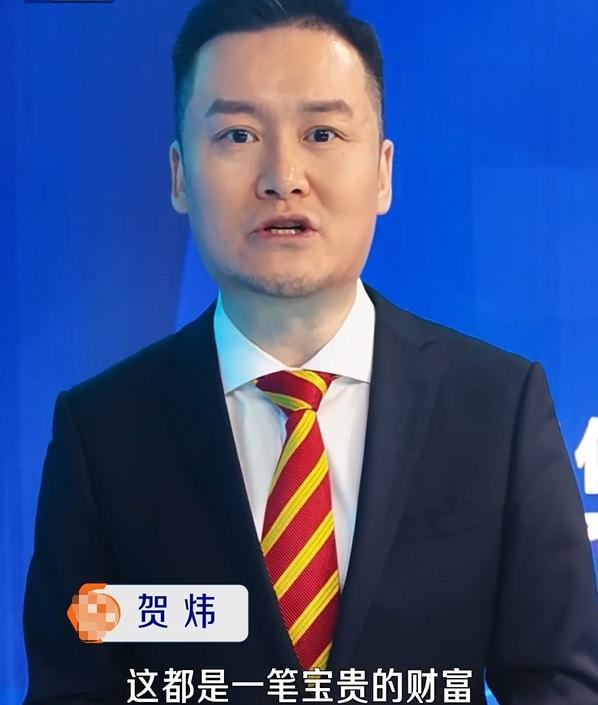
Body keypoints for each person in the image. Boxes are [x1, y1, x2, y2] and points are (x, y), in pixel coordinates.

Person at [22, 0, 598, 703]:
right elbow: (73, 687)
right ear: (179, 176)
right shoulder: (103, 432)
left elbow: (559, 681)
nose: (282, 176)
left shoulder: (498, 408)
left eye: (321, 132)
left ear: (382, 173)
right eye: (237, 135)